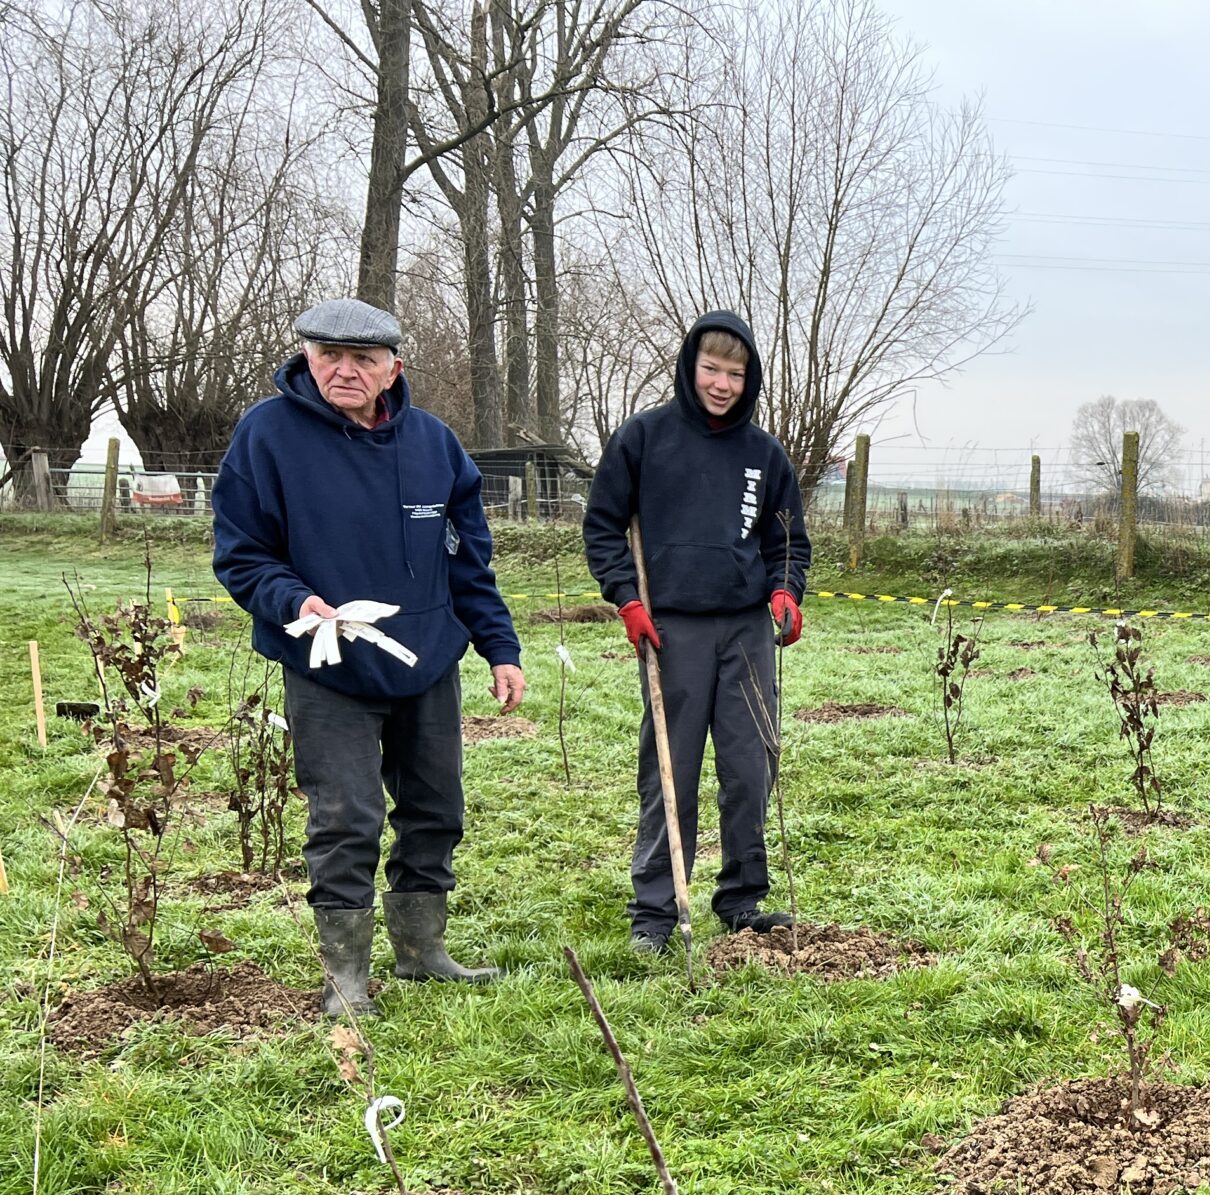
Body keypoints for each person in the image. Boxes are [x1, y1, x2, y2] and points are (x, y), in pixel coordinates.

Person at [212, 296, 525, 1016]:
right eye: (329, 356)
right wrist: (296, 602)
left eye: (362, 359)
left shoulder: (435, 446)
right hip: (329, 664)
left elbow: (469, 565)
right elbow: (242, 555)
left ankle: (421, 952)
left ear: (393, 369)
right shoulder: (267, 437)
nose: (344, 370)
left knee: (436, 806)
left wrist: (498, 648)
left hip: (427, 660)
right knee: (347, 816)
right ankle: (347, 977)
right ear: (306, 357)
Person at [581, 311, 810, 951]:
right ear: (689, 366)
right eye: (710, 368)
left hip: (745, 631)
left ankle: (742, 899)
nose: (721, 383)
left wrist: (786, 592)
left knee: (749, 765)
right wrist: (627, 600)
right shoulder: (644, 438)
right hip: (668, 630)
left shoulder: (764, 455)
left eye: (735, 374)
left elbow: (787, 542)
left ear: (750, 379)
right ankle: (655, 912)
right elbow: (602, 527)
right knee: (669, 770)